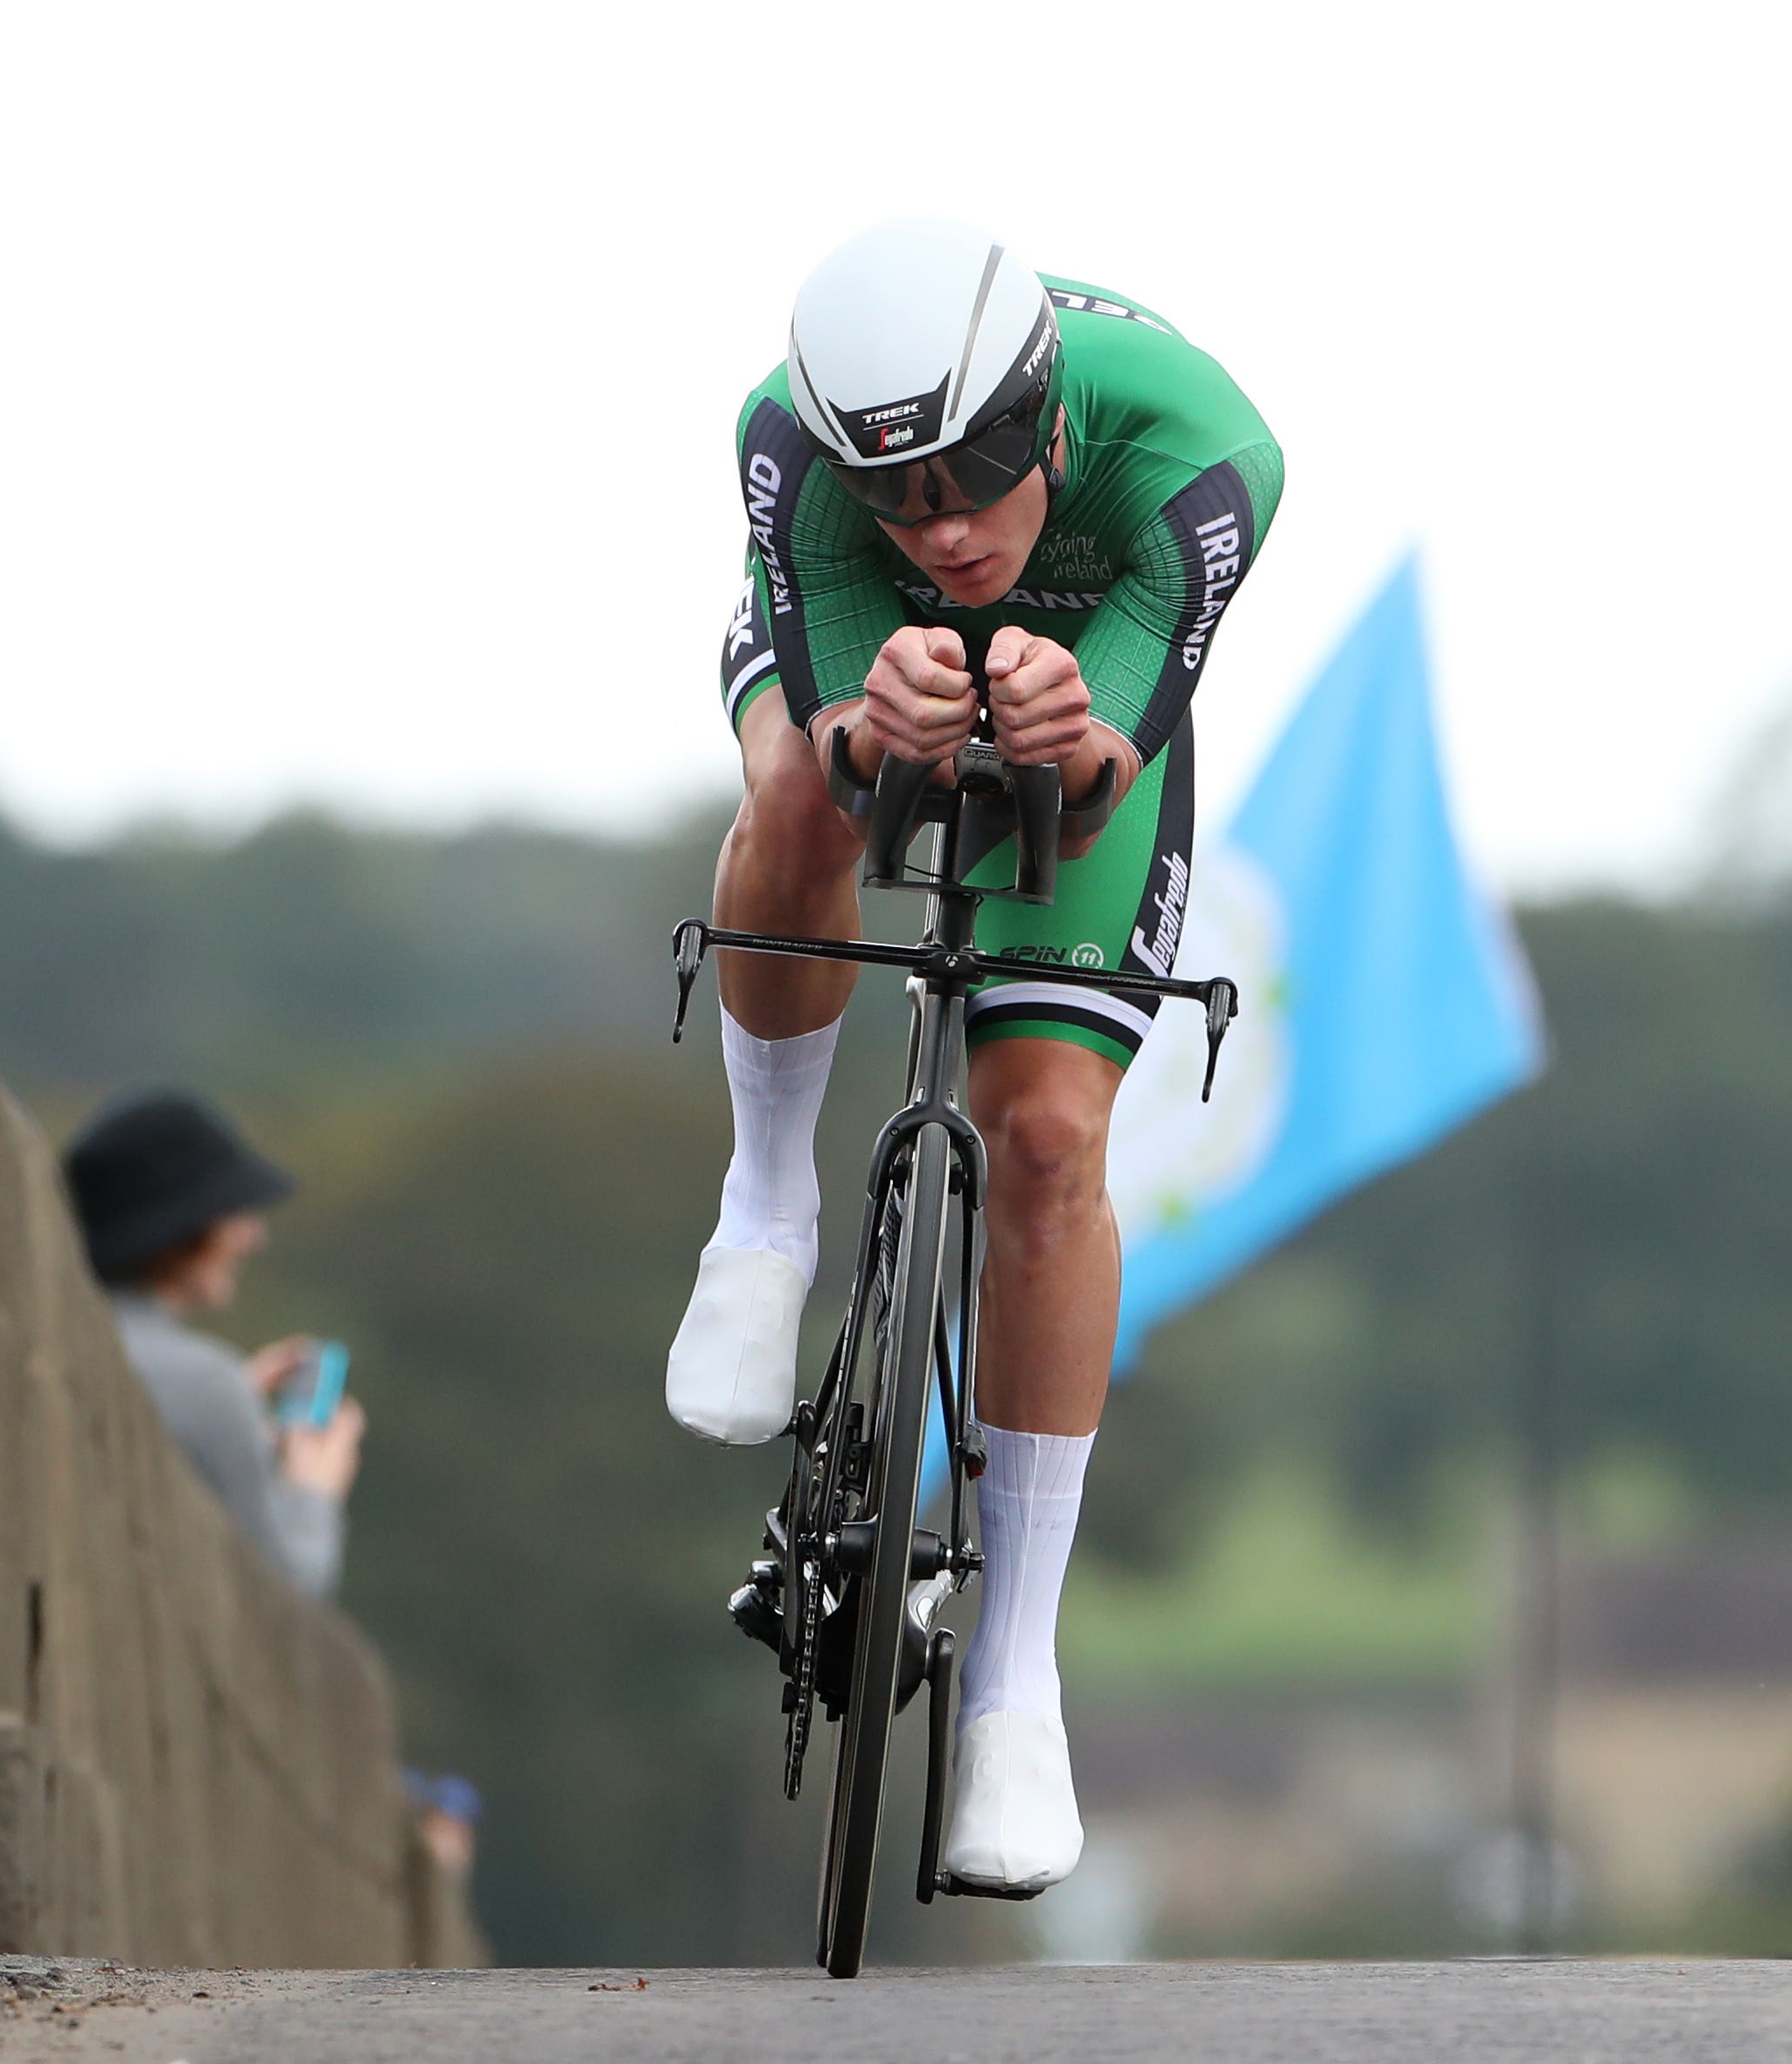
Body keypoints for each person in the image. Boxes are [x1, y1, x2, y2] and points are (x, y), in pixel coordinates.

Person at [666, 219, 1280, 1893]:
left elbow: (1101, 777)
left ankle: (1018, 1688)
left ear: (1050, 430)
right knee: (791, 788)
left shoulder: (1203, 453)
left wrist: (1070, 739)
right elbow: (842, 760)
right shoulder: (786, 454)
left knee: (1049, 1144)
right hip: (859, 681)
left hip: (1102, 679)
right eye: (899, 498)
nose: (938, 528)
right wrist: (880, 721)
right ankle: (768, 1208)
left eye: (973, 484)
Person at [62, 1089, 366, 1599]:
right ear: (186, 1228)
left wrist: (236, 1396)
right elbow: (286, 1590)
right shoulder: (202, 1382)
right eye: (235, 1214)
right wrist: (314, 1487)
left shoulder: (74, 1333)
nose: (253, 1238)